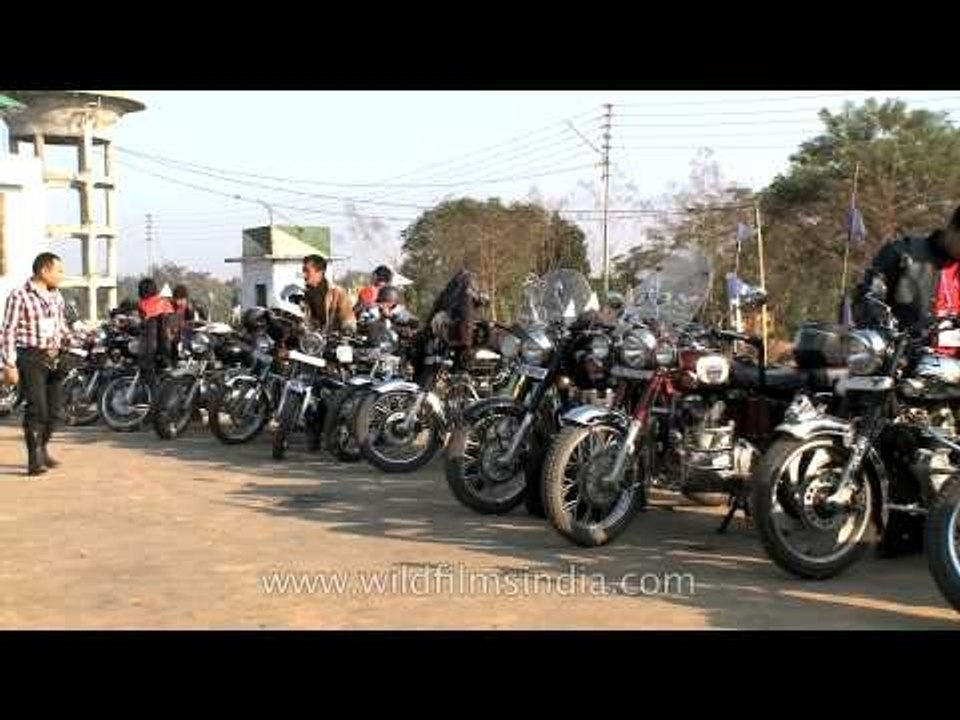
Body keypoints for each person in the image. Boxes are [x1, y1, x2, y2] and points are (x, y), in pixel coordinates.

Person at [853, 204, 960, 558]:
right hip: (907, 364)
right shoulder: (903, 253)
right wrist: (882, 326)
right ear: (953, 230)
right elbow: (868, 295)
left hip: (954, 371)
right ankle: (903, 528)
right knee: (892, 440)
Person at [1, 252, 72, 476]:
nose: (61, 275)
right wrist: (9, 364)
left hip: (55, 357)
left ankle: (42, 447)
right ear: (44, 271)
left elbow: (60, 325)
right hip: (31, 357)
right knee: (37, 409)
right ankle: (35, 460)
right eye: (58, 271)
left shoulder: (56, 296)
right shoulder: (19, 296)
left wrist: (73, 339)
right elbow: (8, 332)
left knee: (54, 412)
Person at [301, 254, 356, 334]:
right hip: (313, 339)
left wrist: (345, 331)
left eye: (307, 271)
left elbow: (349, 321)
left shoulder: (337, 293)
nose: (303, 275)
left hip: (333, 339)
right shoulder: (305, 295)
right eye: (303, 271)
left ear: (320, 272)